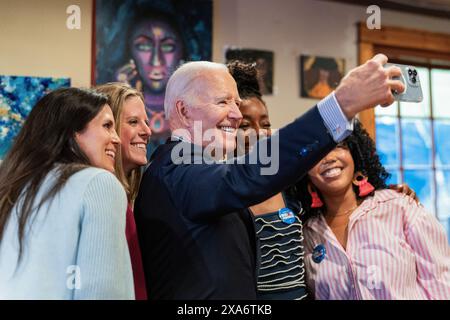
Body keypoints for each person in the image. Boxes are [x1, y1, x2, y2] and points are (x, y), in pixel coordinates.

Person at [135, 54, 405, 299]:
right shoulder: (176, 168)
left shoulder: (196, 168)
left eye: (237, 103)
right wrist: (342, 104)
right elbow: (250, 174)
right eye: (223, 102)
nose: (236, 114)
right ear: (183, 111)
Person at [228, 61, 419, 300]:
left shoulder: (291, 191)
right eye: (245, 125)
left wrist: (390, 191)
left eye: (266, 124)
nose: (259, 133)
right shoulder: (222, 193)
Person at [0, 88, 134, 299]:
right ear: (73, 132)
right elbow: (101, 291)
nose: (116, 139)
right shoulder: (100, 184)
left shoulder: (15, 186)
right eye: (107, 126)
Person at [295, 120, 450, 299]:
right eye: (316, 152)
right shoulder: (306, 234)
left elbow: (439, 284)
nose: (328, 158)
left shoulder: (400, 208)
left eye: (338, 146)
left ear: (355, 155)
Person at [95, 83, 152, 300]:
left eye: (146, 122)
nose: (147, 131)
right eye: (133, 122)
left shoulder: (127, 196)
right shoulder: (101, 195)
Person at [117, 10, 186, 148]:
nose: (156, 60)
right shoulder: (120, 104)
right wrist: (121, 95)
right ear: (130, 54)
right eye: (144, 46)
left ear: (182, 54)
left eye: (167, 46)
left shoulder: (191, 109)